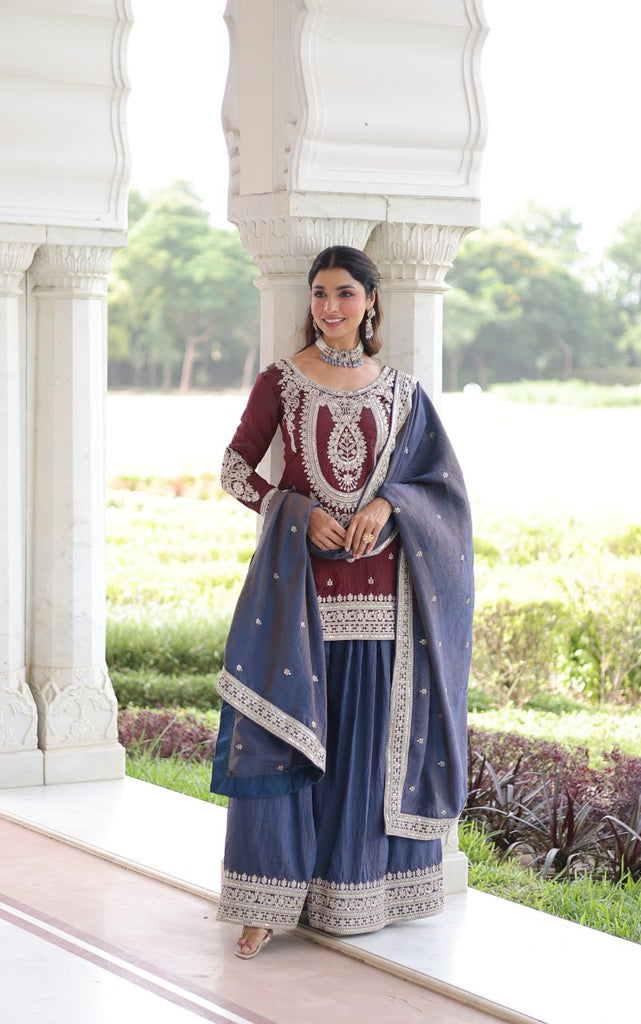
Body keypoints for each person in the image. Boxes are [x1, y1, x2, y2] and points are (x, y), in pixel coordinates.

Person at [211, 245, 474, 959]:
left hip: (384, 601)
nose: (331, 307)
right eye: (321, 293)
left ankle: (358, 893)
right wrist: (291, 509)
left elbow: (439, 486)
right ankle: (264, 903)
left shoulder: (404, 393)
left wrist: (390, 504)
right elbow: (236, 469)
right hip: (298, 595)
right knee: (282, 742)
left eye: (346, 294)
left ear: (371, 301)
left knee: (363, 747)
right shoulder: (282, 381)